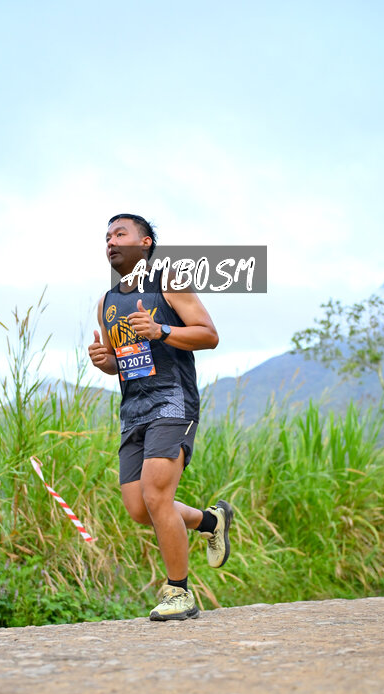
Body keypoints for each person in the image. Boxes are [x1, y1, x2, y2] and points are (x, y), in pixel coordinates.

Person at [88, 213, 233, 621]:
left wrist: (161, 331)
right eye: (107, 237)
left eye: (120, 234)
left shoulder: (169, 281)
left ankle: (178, 593)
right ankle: (210, 521)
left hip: (172, 401)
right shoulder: (106, 302)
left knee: (156, 495)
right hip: (133, 409)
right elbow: (119, 361)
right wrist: (104, 361)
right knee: (140, 508)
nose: (111, 242)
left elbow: (209, 334)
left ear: (145, 243)